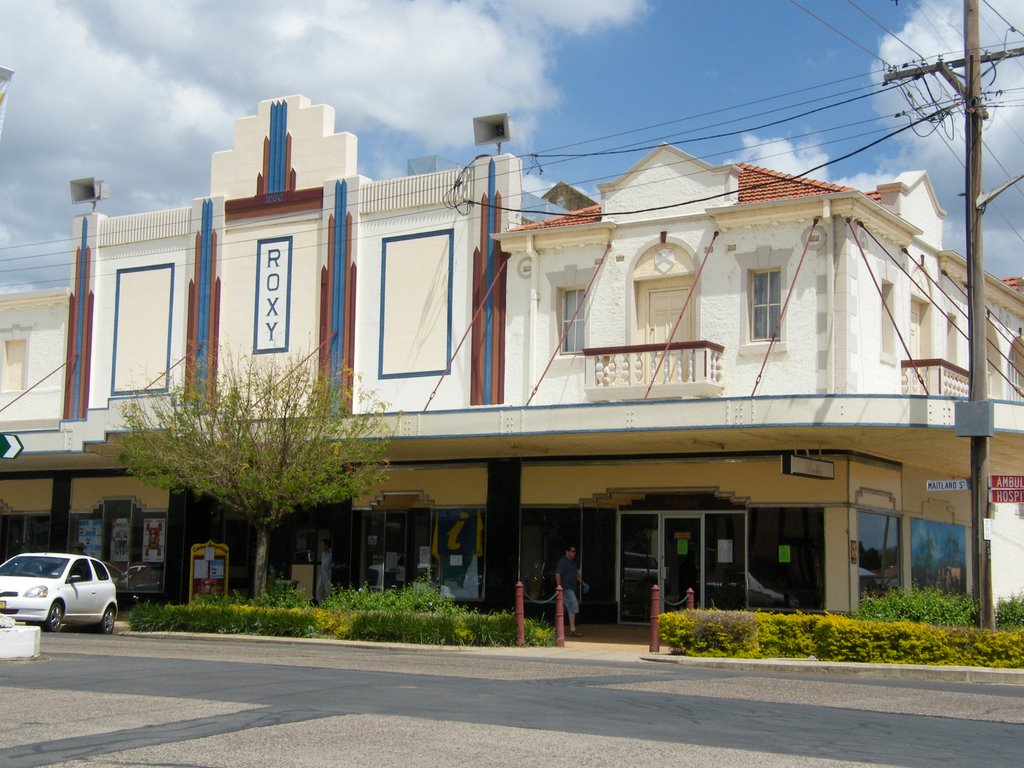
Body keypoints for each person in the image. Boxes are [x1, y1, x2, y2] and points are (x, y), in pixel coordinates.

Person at [555, 544, 587, 637]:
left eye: (575, 551)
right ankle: (572, 630)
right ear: (567, 552)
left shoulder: (573, 563)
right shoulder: (563, 561)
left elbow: (575, 575)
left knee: (562, 609)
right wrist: (559, 587)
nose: (574, 553)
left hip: (572, 588)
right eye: (572, 551)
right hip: (566, 588)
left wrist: (583, 583)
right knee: (573, 606)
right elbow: (558, 574)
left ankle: (556, 629)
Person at [316, 538, 333, 603]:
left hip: (328, 576)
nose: (321, 547)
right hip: (322, 575)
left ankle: (329, 606)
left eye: (323, 545)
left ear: (327, 546)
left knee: (328, 592)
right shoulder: (323, 554)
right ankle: (320, 604)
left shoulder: (331, 554)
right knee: (318, 591)